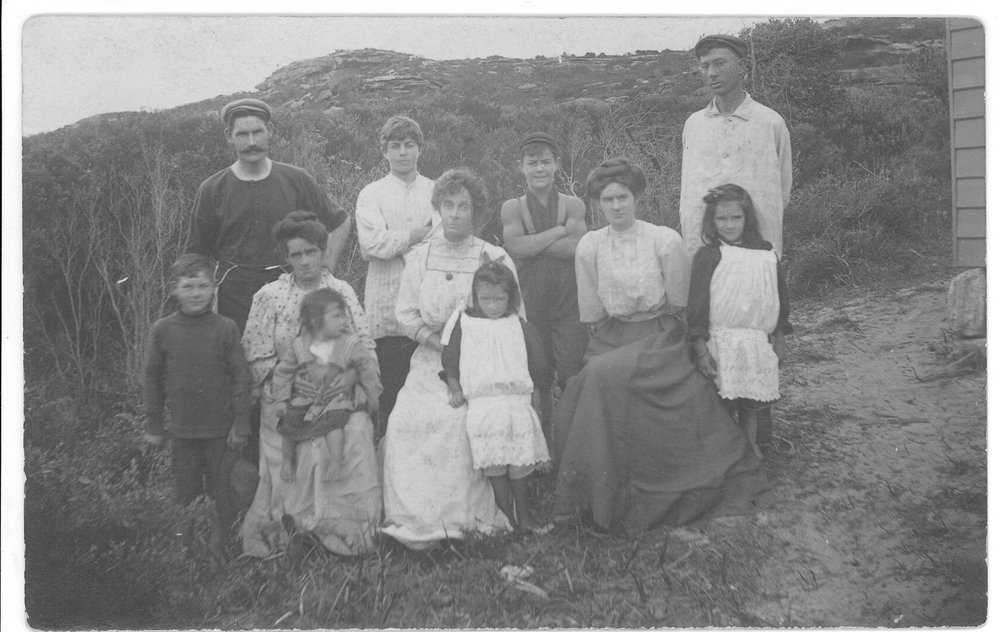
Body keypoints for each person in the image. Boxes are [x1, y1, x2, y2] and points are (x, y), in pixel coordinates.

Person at [553, 158, 764, 533]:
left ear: (636, 198)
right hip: (612, 334)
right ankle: (598, 493)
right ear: (597, 205)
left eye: (622, 197)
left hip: (659, 333)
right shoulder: (590, 246)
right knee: (593, 380)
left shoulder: (664, 239)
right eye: (607, 200)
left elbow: (679, 300)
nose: (616, 206)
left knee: (606, 376)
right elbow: (593, 311)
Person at [381, 169, 516, 549]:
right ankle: (413, 518)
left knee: (456, 423)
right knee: (405, 422)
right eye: (448, 205)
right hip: (429, 362)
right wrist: (437, 343)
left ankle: (462, 520)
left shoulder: (493, 257)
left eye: (464, 206)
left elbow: (512, 316)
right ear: (438, 208)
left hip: (479, 365)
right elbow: (406, 314)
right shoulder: (420, 257)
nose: (455, 214)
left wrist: (472, 347)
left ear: (477, 212)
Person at [240, 211, 380, 557]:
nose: (304, 261)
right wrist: (290, 391)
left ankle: (349, 526)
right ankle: (298, 526)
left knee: (355, 431)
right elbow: (257, 356)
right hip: (290, 395)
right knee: (289, 438)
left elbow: (363, 345)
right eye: (296, 254)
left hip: (339, 392)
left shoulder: (341, 291)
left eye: (311, 252)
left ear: (323, 251)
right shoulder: (270, 296)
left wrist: (355, 384)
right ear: (286, 257)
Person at [187, 98, 351, 332]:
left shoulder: (296, 179)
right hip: (233, 298)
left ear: (270, 131)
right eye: (242, 134)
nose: (251, 142)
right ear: (228, 136)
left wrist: (324, 270)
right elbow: (197, 254)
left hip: (292, 292)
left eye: (257, 132)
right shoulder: (212, 189)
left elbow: (340, 221)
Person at [142, 253, 251, 555]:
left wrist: (240, 425)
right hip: (183, 433)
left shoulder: (226, 328)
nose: (196, 293)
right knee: (184, 495)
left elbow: (242, 378)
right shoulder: (163, 330)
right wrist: (154, 426)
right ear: (174, 289)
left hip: (220, 433)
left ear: (214, 288)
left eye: (203, 286)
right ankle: (184, 549)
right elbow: (152, 380)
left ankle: (221, 548)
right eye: (188, 286)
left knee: (221, 495)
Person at [440, 257, 551, 531]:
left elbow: (538, 371)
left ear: (511, 298)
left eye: (499, 299)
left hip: (516, 404)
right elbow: (450, 363)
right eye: (485, 299)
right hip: (483, 406)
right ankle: (507, 518)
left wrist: (536, 405)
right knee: (494, 463)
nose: (491, 306)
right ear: (475, 297)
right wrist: (456, 390)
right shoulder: (465, 325)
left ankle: (524, 517)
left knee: (519, 462)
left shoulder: (520, 327)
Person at [687, 184, 791, 457]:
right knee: (721, 401)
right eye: (721, 218)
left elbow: (779, 299)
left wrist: (779, 339)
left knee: (750, 403)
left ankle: (750, 447)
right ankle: (724, 455)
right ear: (712, 221)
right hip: (720, 341)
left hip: (755, 341)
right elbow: (697, 306)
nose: (729, 225)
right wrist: (701, 349)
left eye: (736, 217)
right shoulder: (709, 256)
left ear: (747, 218)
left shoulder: (765, 254)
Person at [500, 131, 588, 446]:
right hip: (531, 303)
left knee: (572, 374)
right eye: (532, 163)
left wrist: (532, 243)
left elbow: (576, 247)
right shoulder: (512, 207)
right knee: (537, 376)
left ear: (557, 164)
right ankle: (542, 448)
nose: (539, 169)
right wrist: (558, 231)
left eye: (545, 162)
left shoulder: (573, 204)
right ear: (521, 167)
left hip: (569, 305)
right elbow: (516, 247)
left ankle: (572, 447)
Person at [355, 116, 437, 436]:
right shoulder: (371, 194)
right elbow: (371, 245)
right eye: (395, 146)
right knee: (389, 400)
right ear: (384, 151)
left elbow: (441, 242)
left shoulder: (436, 191)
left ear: (420, 149)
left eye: (409, 145)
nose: (402, 152)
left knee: (429, 400)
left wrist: (396, 242)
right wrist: (415, 235)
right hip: (386, 315)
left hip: (428, 312)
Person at [679, 34, 792, 258]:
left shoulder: (770, 123)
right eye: (705, 66)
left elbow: (782, 193)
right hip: (703, 251)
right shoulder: (694, 124)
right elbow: (688, 192)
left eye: (720, 63)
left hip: (756, 252)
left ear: (742, 66)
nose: (711, 73)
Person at [272, 288, 382, 484]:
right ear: (316, 321)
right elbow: (283, 373)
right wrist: (281, 399)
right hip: (305, 398)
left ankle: (336, 460)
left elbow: (367, 369)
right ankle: (287, 460)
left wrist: (372, 396)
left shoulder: (349, 343)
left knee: (334, 423)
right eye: (336, 317)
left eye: (343, 316)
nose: (344, 321)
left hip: (336, 397)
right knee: (288, 424)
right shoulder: (300, 344)